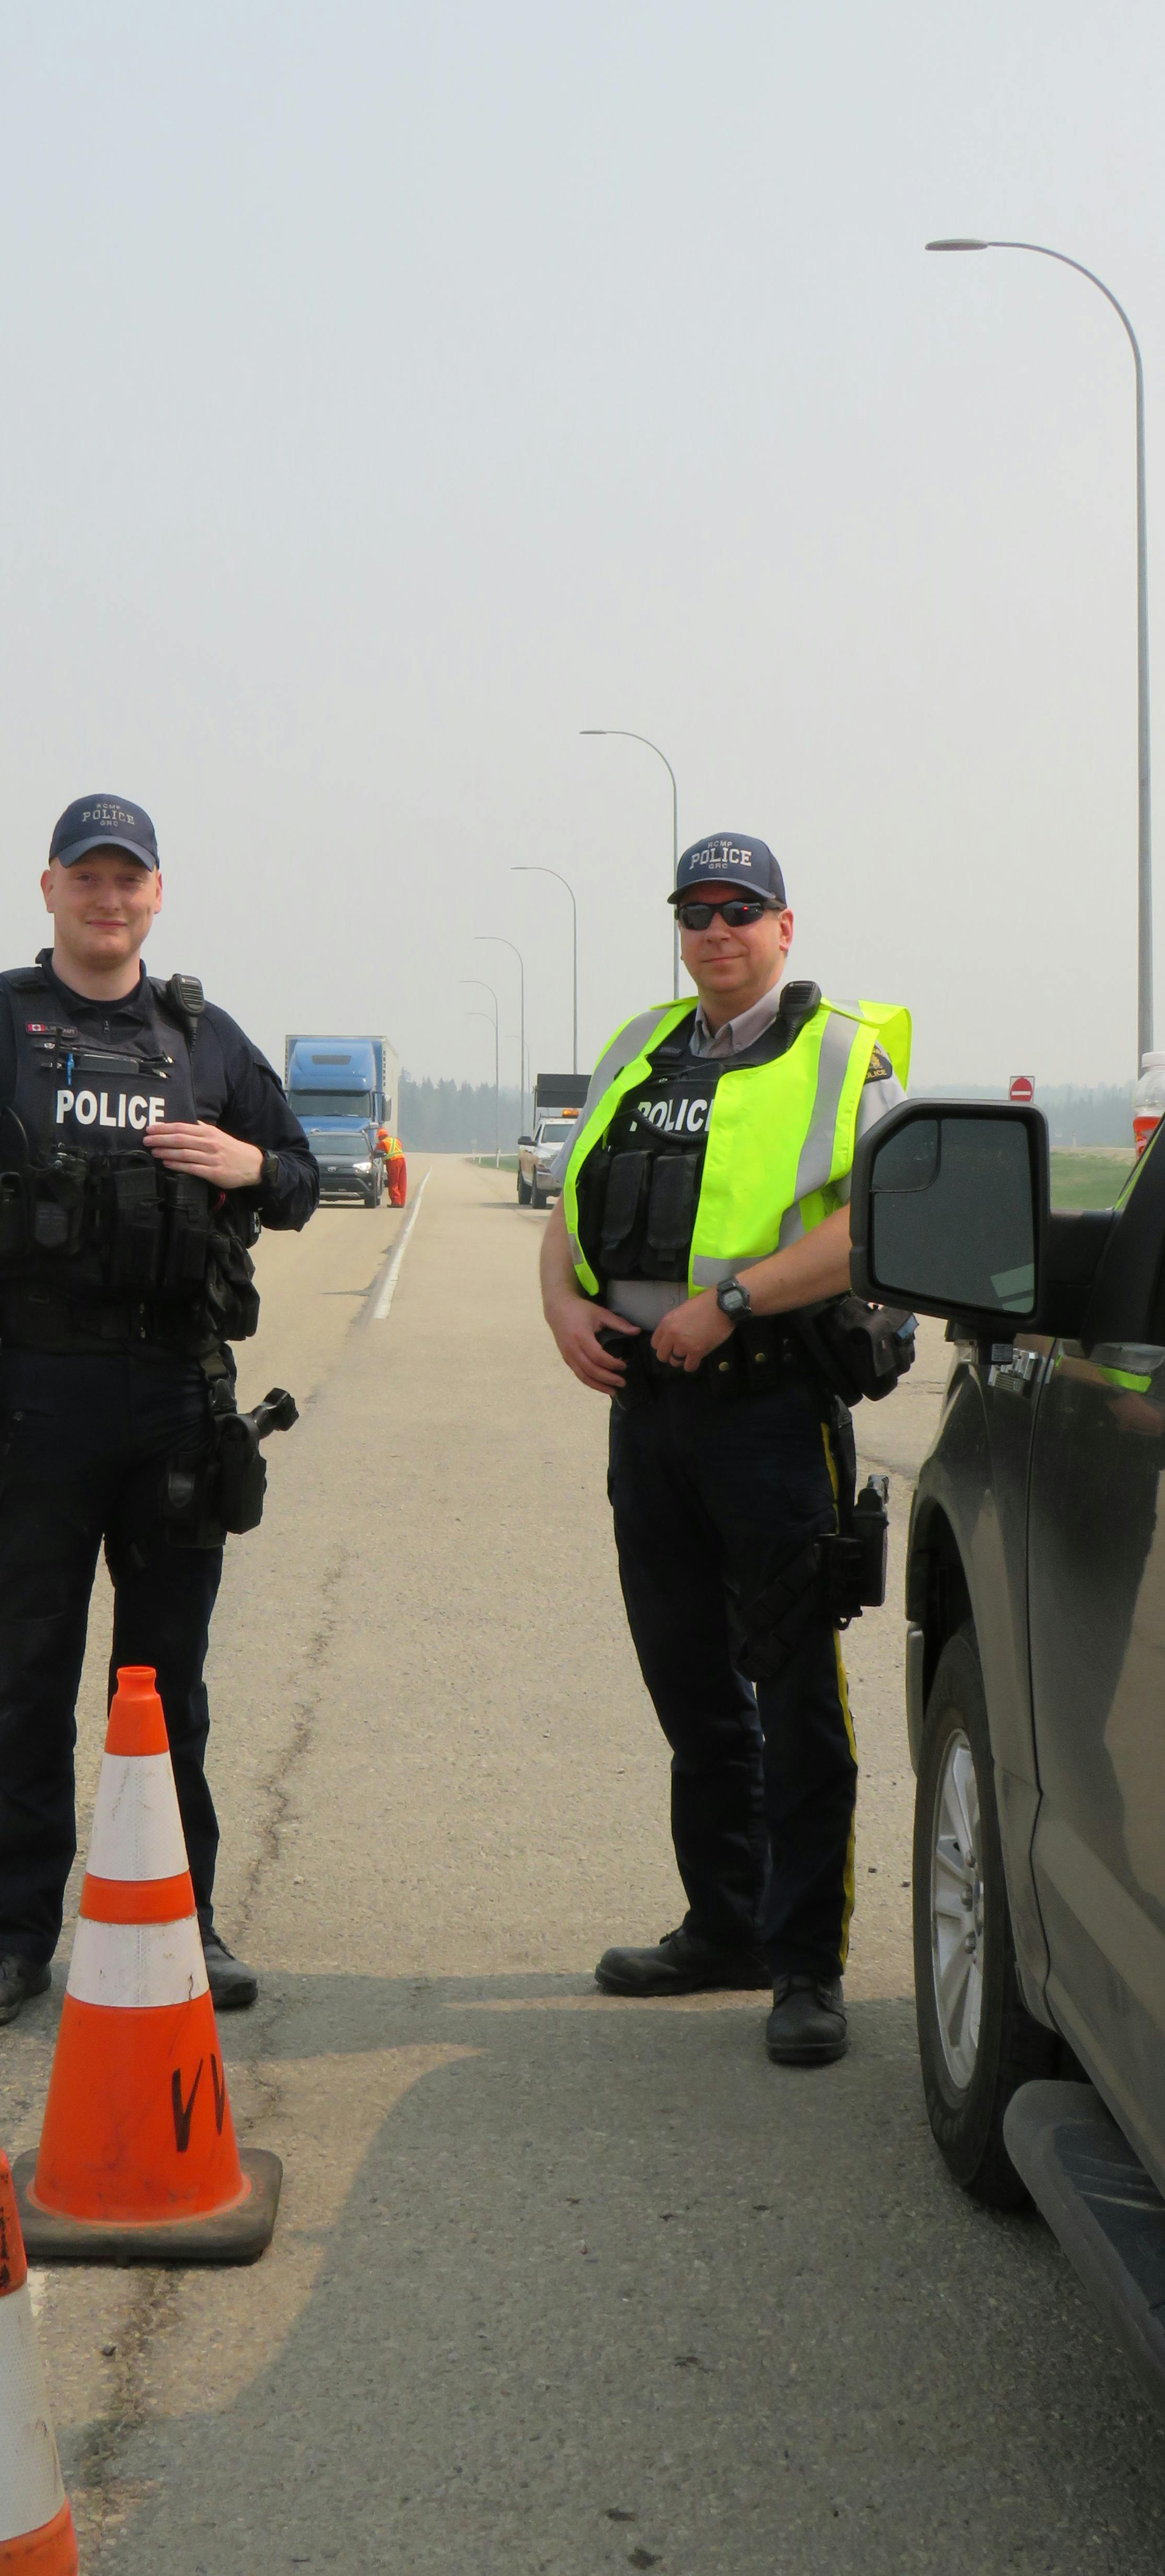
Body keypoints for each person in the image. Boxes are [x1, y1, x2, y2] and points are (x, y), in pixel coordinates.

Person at [0, 795, 318, 2027]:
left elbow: (298, 1181)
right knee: (30, 1672)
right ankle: (13, 1934)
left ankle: (187, 1917)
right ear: (50, 888)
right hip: (31, 1397)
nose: (109, 897)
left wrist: (251, 1167)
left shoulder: (206, 1037)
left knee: (165, 1682)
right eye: (89, 876)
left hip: (177, 1399)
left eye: (129, 878)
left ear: (158, 894)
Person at [539, 832, 908, 2067]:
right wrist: (561, 1307)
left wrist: (737, 1302)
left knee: (793, 1685)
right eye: (696, 912)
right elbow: (572, 1202)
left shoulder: (847, 1052)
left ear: (785, 926)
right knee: (690, 1679)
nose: (716, 931)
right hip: (646, 1413)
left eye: (740, 910)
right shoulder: (638, 1046)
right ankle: (727, 1922)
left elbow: (882, 1221)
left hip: (766, 1406)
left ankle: (806, 1963)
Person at [376, 1124, 408, 1208]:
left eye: (379, 1137)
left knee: (393, 1182)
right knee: (402, 1182)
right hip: (402, 1160)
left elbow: (376, 1153)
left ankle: (396, 1202)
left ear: (382, 1136)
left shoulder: (383, 1143)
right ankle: (402, 1202)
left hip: (393, 1162)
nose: (379, 1139)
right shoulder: (396, 1140)